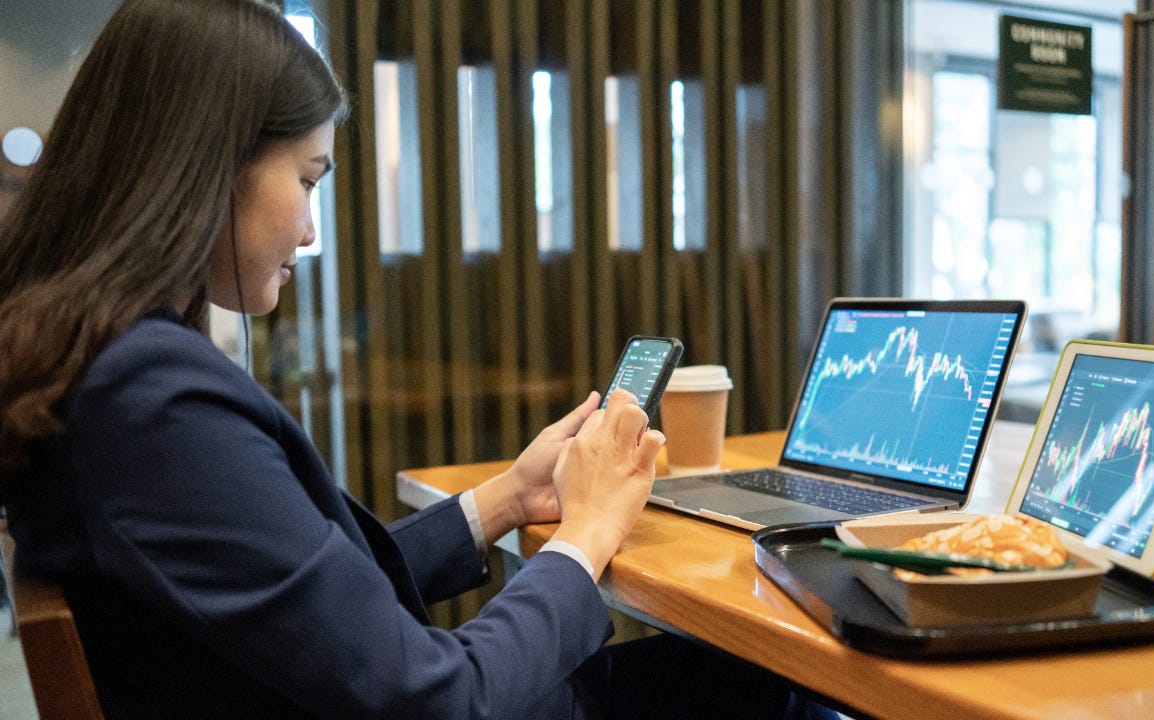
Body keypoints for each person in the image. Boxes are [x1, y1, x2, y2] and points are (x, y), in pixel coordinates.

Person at [0, 1, 830, 718]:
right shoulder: (152, 401)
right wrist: (589, 532)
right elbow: (441, 698)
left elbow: (318, 600)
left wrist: (506, 498)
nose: (309, 230)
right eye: (309, 178)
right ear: (210, 165)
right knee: (777, 682)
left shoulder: (105, 373)